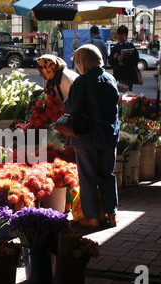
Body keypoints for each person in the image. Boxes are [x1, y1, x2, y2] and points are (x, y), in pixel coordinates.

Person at [63, 44, 120, 228]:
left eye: (77, 60)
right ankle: (112, 215)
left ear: (83, 61)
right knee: (107, 176)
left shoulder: (82, 82)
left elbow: (72, 107)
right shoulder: (110, 79)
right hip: (108, 137)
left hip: (86, 138)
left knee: (87, 178)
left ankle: (93, 218)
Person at [108, 25, 139, 91]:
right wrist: (114, 57)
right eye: (119, 34)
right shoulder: (115, 47)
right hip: (117, 76)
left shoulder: (130, 46)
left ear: (126, 35)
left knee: (126, 96)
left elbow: (135, 60)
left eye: (122, 35)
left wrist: (124, 60)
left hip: (127, 76)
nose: (120, 37)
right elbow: (110, 61)